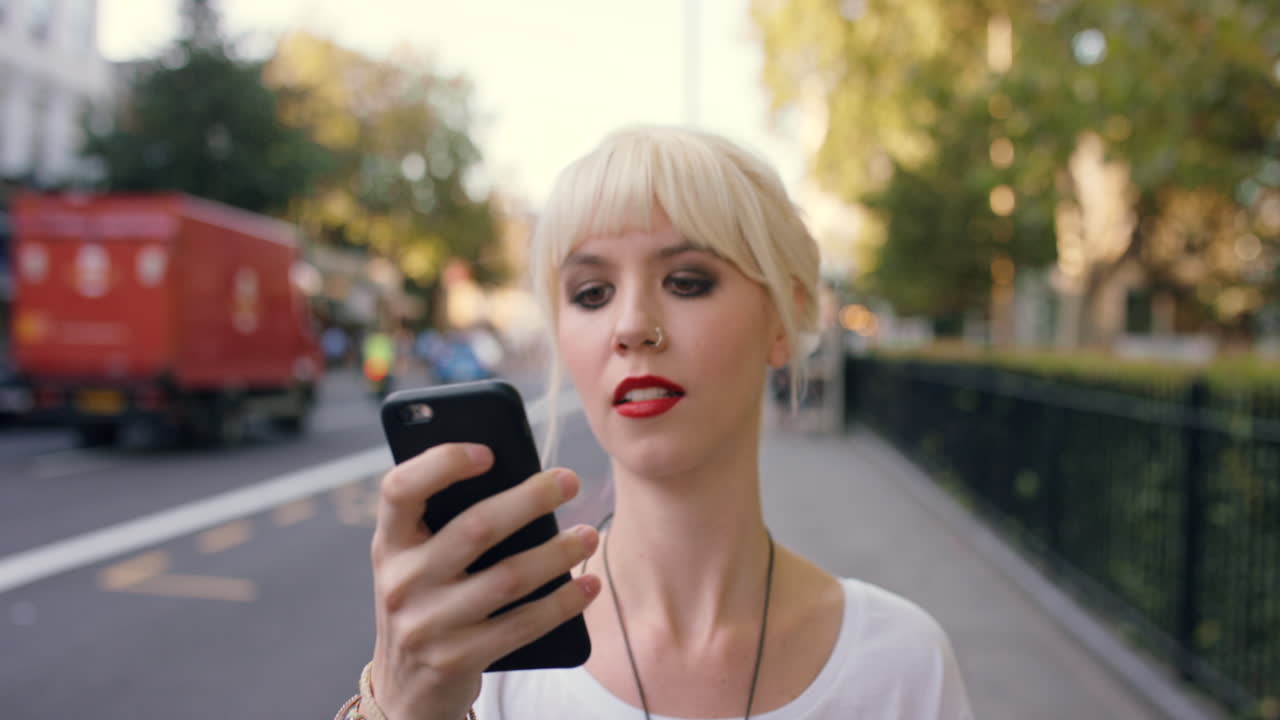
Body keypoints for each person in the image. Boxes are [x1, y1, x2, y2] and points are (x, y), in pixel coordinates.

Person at [338, 126, 974, 720]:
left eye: (687, 280)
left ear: (783, 320)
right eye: (591, 293)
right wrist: (397, 701)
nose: (632, 325)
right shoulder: (487, 662)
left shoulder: (902, 665)